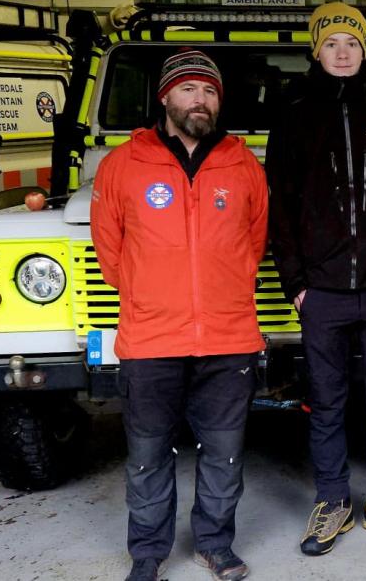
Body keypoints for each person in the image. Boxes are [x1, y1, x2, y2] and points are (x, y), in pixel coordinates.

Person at [92, 49, 268, 581]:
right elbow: (109, 249)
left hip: (228, 335)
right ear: (166, 96)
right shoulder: (124, 164)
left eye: (210, 91)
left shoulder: (242, 164)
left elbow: (253, 242)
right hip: (151, 340)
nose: (201, 100)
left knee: (224, 454)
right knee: (147, 455)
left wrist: (222, 289)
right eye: (190, 89)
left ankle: (215, 543)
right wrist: (153, 296)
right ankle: (147, 552)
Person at [265, 2, 366, 556]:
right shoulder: (292, 117)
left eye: (353, 44)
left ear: (365, 52)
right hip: (323, 292)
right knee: (327, 400)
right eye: (333, 43)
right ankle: (332, 501)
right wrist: (297, 284)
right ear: (317, 49)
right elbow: (280, 210)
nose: (343, 52)